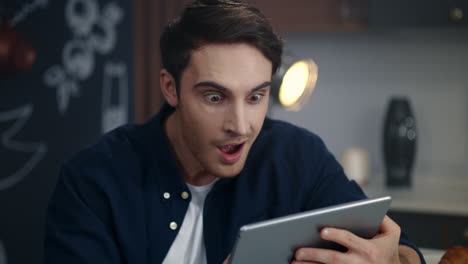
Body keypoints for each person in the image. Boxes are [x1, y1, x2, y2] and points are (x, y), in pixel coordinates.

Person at [44, 0, 425, 263]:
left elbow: (404, 251)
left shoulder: (297, 158)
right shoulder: (92, 182)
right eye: (214, 97)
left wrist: (393, 260)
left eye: (256, 96)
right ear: (170, 87)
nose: (241, 127)